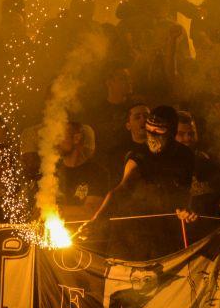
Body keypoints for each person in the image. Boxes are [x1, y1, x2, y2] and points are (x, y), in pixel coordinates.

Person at [77, 106, 196, 259]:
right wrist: (97, 220)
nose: (151, 135)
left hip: (166, 235)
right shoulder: (140, 155)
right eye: (149, 129)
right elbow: (123, 188)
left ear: (171, 131)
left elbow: (183, 191)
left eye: (158, 131)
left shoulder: (185, 155)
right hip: (131, 236)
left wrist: (185, 208)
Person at [54, 121, 110, 222]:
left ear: (77, 138)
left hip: (85, 236)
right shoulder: (53, 173)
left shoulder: (97, 172)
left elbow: (90, 212)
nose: (56, 141)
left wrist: (54, 210)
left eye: (60, 136)